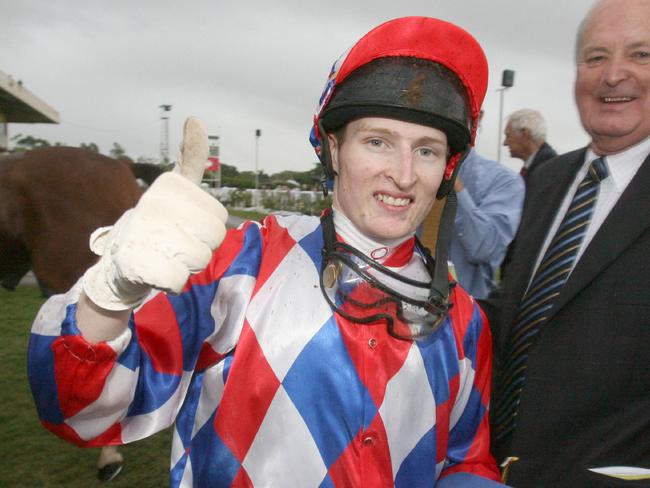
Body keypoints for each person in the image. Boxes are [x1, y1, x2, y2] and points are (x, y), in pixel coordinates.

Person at [27, 17, 506, 487]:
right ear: (334, 149)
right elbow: (75, 409)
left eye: (426, 150)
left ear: (447, 167)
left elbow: (466, 461)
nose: (403, 175)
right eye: (377, 142)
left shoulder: (465, 321)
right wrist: (109, 295)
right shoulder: (242, 263)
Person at [482, 0, 650, 486]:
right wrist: (423, 309)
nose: (613, 75)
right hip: (497, 468)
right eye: (595, 57)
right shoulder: (549, 180)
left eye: (640, 55)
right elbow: (519, 310)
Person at [448, 110, 524, 299]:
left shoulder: (504, 181)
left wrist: (456, 187)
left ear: (478, 117)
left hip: (465, 314)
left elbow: (484, 249)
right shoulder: (405, 174)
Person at [503, 108, 557, 182]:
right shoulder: (539, 166)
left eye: (508, 136)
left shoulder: (548, 170)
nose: (504, 143)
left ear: (525, 135)